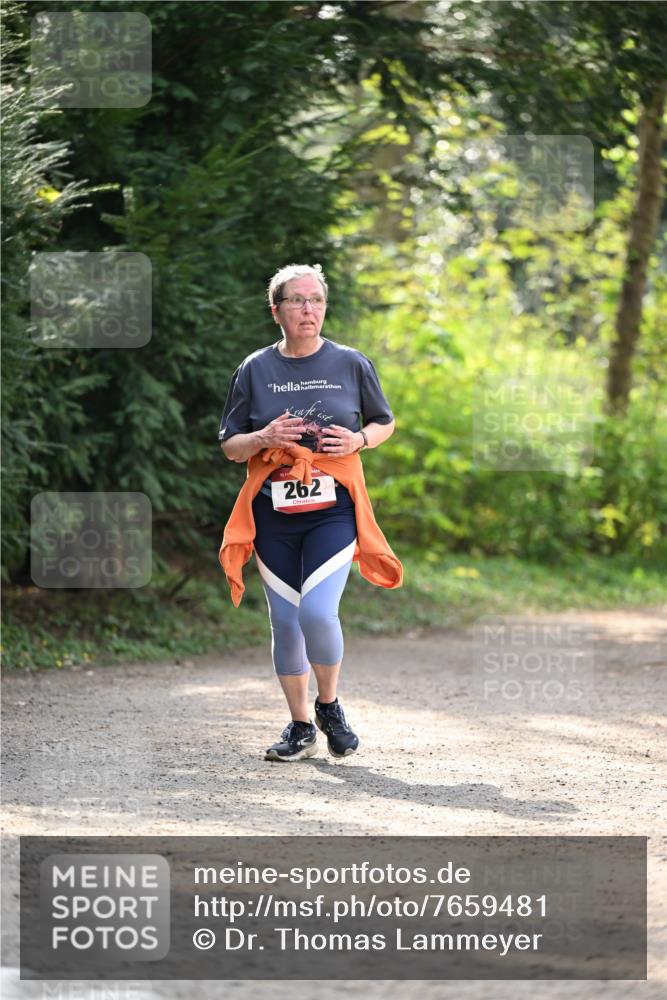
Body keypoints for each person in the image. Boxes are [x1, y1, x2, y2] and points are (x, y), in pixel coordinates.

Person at [218, 263, 402, 762]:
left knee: (318, 613)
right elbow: (232, 447)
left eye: (316, 300)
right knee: (285, 620)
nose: (308, 309)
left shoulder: (350, 363)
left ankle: (329, 706)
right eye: (297, 300)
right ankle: (300, 726)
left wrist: (360, 438)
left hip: (332, 509)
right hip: (272, 513)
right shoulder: (254, 368)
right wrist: (263, 438)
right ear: (276, 310)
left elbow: (385, 421)